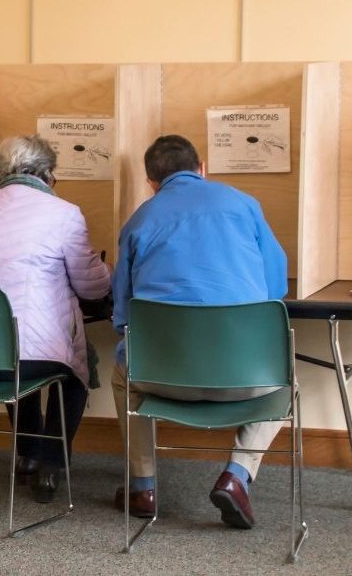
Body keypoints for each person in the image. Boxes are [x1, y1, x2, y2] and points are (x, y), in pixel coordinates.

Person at [111, 134, 288, 529]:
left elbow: (123, 313)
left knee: (124, 374)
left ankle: (143, 486)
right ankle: (237, 475)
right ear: (202, 168)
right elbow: (276, 290)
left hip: (164, 377)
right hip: (246, 378)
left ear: (151, 182)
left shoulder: (140, 219)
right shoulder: (243, 203)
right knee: (284, 377)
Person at [0, 135, 111, 502]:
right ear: (48, 174)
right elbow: (93, 288)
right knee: (73, 370)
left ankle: (28, 454)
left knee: (12, 348)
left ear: (2, 172)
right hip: (32, 359)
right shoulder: (64, 213)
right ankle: (51, 462)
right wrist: (106, 270)